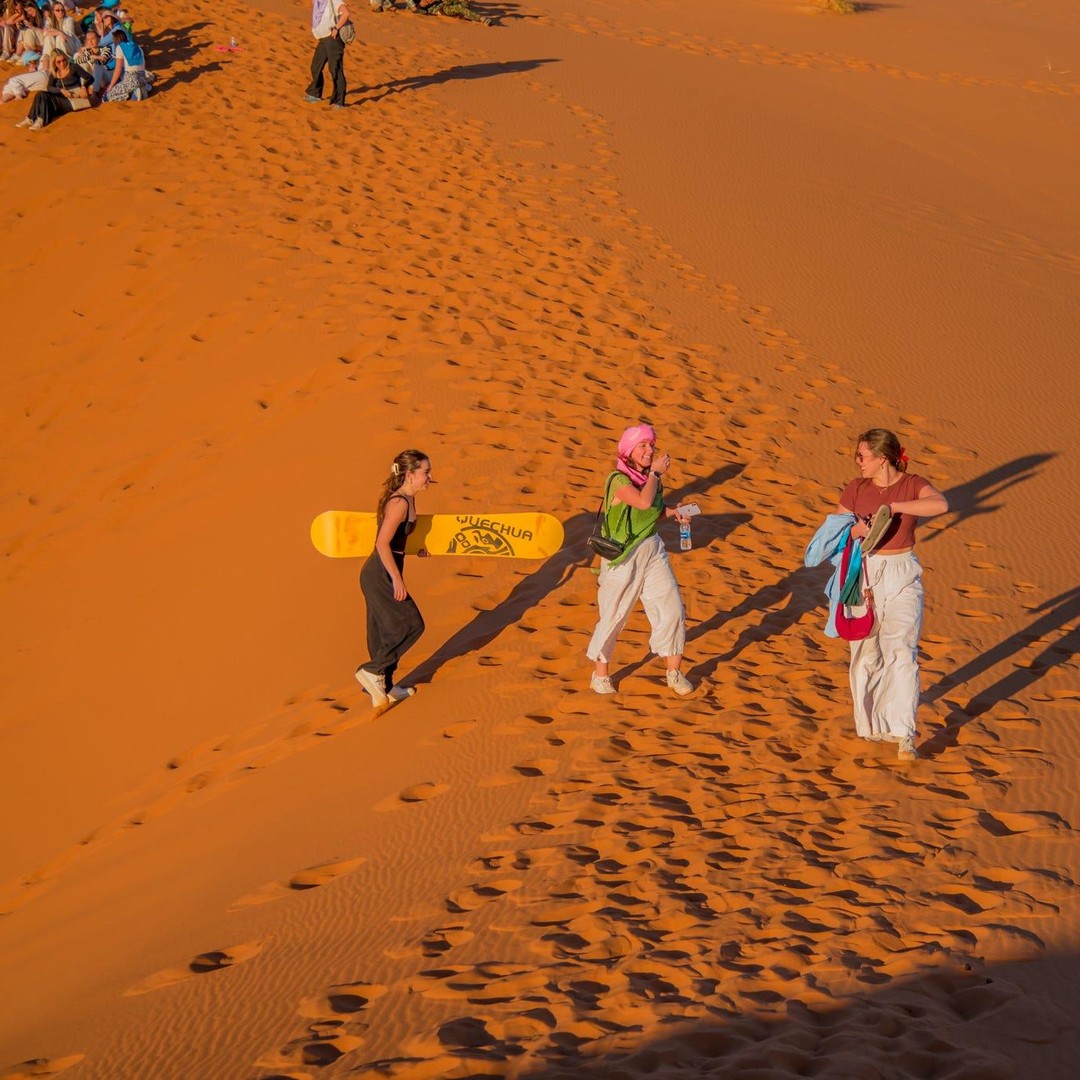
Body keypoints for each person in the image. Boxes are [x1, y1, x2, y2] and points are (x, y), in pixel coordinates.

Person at [838, 428, 948, 760]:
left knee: (901, 650)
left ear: (883, 458)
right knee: (866, 653)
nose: (858, 462)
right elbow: (836, 527)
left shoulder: (911, 483)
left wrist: (896, 506)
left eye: (863, 456)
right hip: (865, 575)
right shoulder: (855, 488)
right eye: (857, 456)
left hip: (902, 574)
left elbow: (941, 504)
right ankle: (872, 724)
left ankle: (903, 734)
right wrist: (855, 530)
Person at [586, 424, 694, 697]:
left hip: (652, 551)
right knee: (613, 614)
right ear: (628, 451)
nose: (649, 451)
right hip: (622, 557)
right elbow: (642, 503)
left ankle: (674, 672)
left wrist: (673, 513)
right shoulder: (618, 480)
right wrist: (655, 473)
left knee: (672, 609)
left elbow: (651, 513)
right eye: (642, 446)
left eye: (651, 445)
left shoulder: (651, 480)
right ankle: (600, 676)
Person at [354, 450, 431, 707]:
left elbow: (397, 540)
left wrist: (415, 548)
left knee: (381, 632)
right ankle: (372, 671)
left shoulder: (407, 499)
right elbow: (382, 543)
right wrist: (397, 580)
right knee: (411, 624)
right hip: (380, 574)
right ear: (410, 475)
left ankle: (384, 687)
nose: (429, 477)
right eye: (425, 472)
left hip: (383, 571)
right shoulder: (399, 503)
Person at [15, 47, 92, 129]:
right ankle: (30, 119)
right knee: (40, 94)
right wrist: (61, 90)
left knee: (44, 97)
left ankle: (41, 120)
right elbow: (49, 87)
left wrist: (84, 87)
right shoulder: (55, 72)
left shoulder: (73, 67)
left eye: (64, 60)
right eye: (59, 62)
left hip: (74, 100)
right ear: (54, 62)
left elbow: (90, 78)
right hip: (62, 98)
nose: (62, 64)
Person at [303, 0, 348, 110]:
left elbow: (346, 13)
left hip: (333, 40)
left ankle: (339, 102)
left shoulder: (334, 1)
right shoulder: (318, 2)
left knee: (335, 70)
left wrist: (336, 28)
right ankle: (315, 93)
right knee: (315, 66)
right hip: (323, 40)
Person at [102, 26, 148, 100]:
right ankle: (140, 88)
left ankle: (132, 93)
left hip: (131, 78)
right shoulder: (137, 46)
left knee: (108, 96)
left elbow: (118, 69)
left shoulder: (120, 47)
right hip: (142, 77)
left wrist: (110, 87)